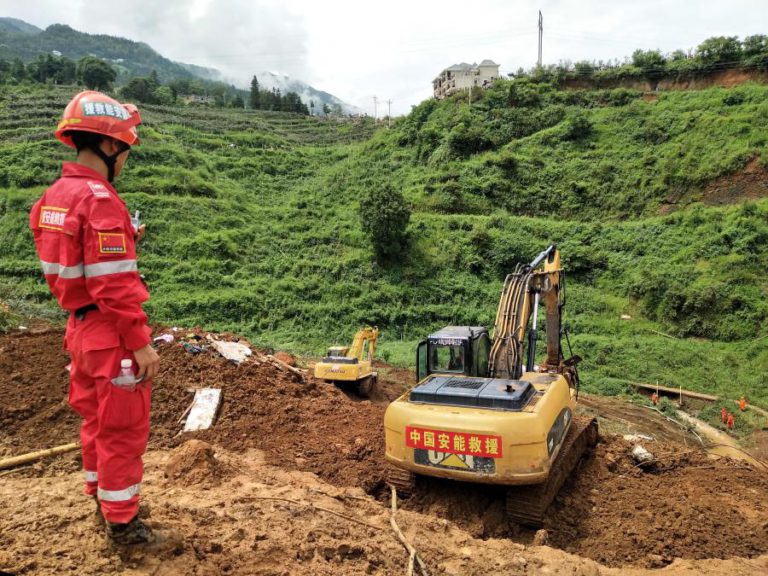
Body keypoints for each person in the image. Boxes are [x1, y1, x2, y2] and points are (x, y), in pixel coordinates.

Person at [29, 91, 159, 545]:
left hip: (79, 329)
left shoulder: (52, 198)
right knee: (122, 429)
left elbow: (76, 262)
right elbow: (113, 285)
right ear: (108, 146)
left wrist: (125, 237)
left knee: (94, 423)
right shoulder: (100, 200)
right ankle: (123, 524)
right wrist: (139, 341)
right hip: (110, 335)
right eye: (124, 148)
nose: (125, 159)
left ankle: (98, 496)